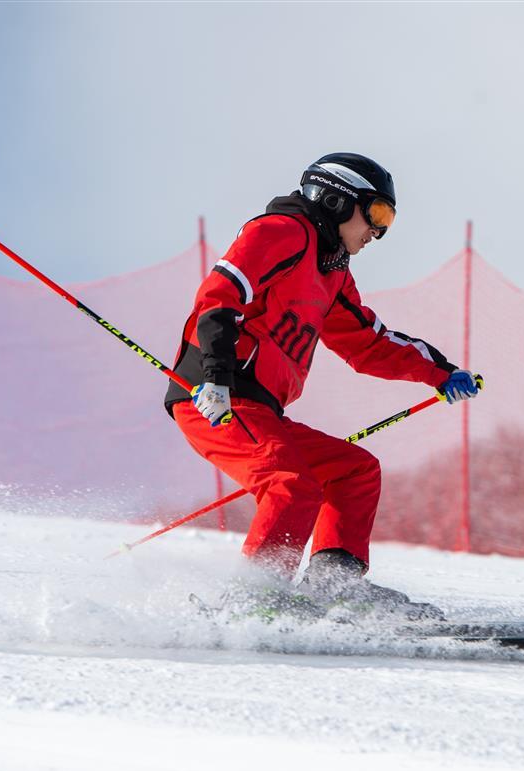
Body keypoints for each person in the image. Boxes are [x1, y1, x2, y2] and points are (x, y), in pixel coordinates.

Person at [165, 153, 480, 618]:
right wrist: (214, 377)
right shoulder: (279, 231)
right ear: (335, 198)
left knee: (354, 470)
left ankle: (333, 587)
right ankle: (253, 599)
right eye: (377, 214)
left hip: (262, 408)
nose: (380, 231)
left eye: (388, 220)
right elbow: (219, 297)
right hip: (215, 397)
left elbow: (368, 343)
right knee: (290, 484)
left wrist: (440, 372)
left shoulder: (332, 273)